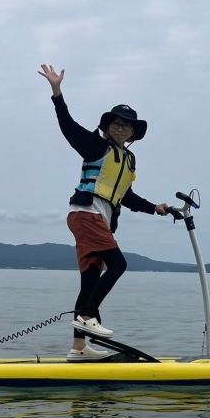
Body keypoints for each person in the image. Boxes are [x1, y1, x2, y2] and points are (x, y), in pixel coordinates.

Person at [38, 64, 169, 361]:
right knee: (118, 264)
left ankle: (79, 348)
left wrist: (156, 209)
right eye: (116, 122)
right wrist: (57, 92)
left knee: (90, 281)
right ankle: (85, 316)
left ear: (133, 132)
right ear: (108, 126)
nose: (121, 127)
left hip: (98, 220)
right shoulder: (96, 146)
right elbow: (68, 127)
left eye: (127, 124)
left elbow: (128, 196)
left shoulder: (128, 159)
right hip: (86, 213)